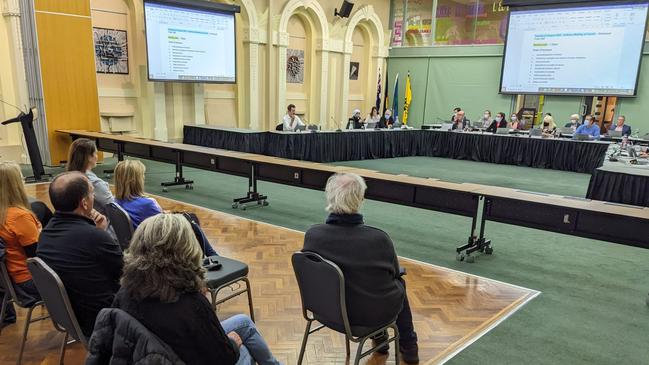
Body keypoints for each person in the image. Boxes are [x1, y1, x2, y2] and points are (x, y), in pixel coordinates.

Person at [113, 213, 281, 365]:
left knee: (244, 323)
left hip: (153, 356)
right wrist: (233, 343)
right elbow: (224, 357)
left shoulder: (124, 293)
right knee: (244, 350)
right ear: (186, 251)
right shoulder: (190, 304)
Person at [302, 173, 419, 364]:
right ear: (361, 200)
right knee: (398, 283)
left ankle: (382, 341)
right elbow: (393, 274)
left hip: (325, 311)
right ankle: (409, 346)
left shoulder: (313, 235)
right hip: (365, 316)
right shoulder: (378, 239)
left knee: (368, 281)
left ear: (329, 197)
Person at [37, 172, 123, 337]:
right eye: (92, 193)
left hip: (71, 318)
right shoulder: (94, 237)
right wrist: (103, 233)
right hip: (103, 320)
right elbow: (126, 273)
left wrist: (97, 231)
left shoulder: (45, 234)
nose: (93, 196)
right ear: (84, 203)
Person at [0, 162, 42, 327]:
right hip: (29, 283)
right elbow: (38, 256)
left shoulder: (4, 214)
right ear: (16, 184)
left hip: (13, 281)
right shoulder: (19, 216)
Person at [66, 138, 114, 213]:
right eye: (95, 153)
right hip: (99, 221)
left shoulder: (68, 176)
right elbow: (113, 207)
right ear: (89, 157)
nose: (96, 157)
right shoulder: (94, 182)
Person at [114, 160, 162, 229]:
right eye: (142, 175)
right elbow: (165, 227)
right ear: (136, 180)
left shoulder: (114, 202)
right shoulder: (147, 204)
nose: (144, 178)